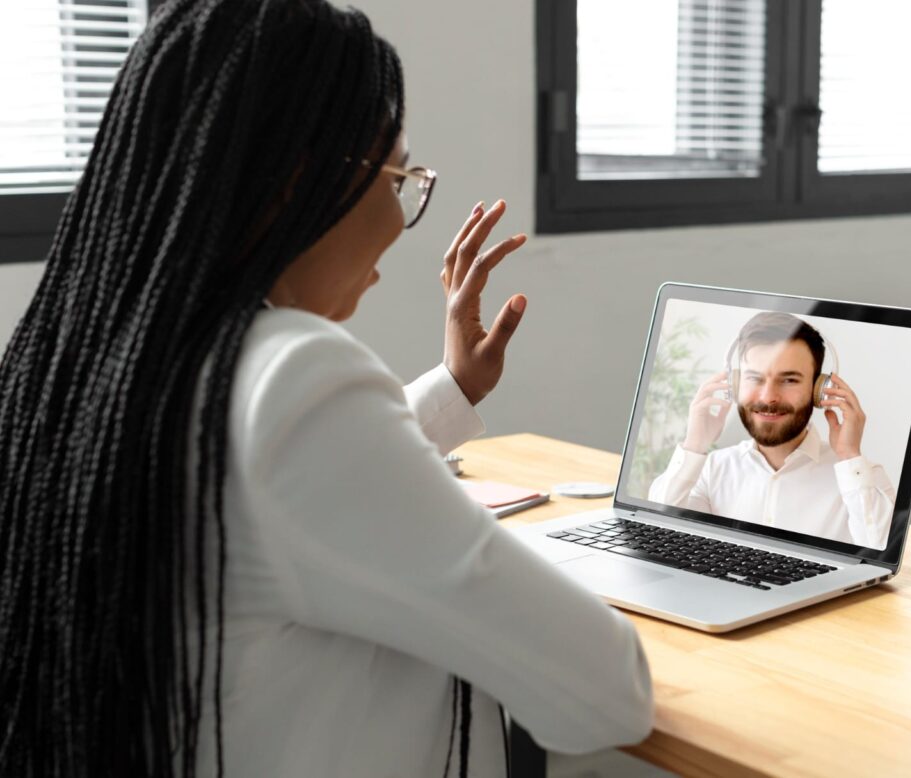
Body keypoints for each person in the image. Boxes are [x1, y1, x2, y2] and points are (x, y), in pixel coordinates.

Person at [0, 1, 653, 776]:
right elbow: (608, 690)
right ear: (297, 181)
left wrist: (450, 390)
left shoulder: (89, 362)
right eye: (401, 176)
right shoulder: (296, 373)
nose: (402, 215)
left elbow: (262, 497)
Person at [648, 312, 896, 548]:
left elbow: (880, 558)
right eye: (754, 378)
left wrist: (850, 456)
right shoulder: (711, 470)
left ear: (819, 390)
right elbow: (656, 538)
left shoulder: (862, 478)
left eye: (789, 380)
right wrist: (694, 445)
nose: (769, 397)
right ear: (734, 385)